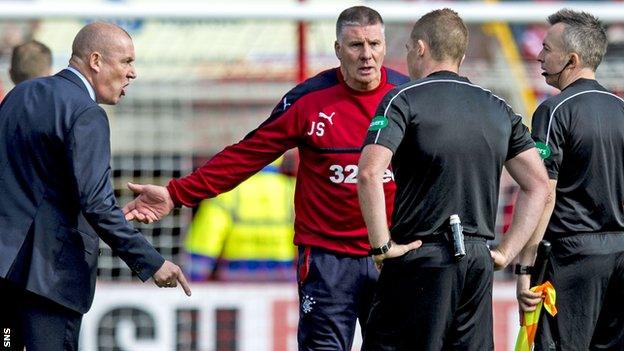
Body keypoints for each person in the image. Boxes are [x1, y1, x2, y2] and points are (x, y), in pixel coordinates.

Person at [122, 6, 410, 350]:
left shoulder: (408, 96)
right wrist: (176, 193)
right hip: (327, 259)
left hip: (393, 253)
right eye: (355, 45)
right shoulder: (309, 101)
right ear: (337, 49)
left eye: (374, 44)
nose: (367, 55)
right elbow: (246, 155)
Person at [357, 8, 549, 350]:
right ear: (461, 55)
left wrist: (382, 246)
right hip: (477, 260)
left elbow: (370, 172)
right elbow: (538, 184)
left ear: (419, 48)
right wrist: (505, 251)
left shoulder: (403, 99)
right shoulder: (497, 107)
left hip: (421, 255)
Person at [0, 22, 191, 351]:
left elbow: (41, 188)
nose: (132, 73)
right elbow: (97, 204)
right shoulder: (86, 113)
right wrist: (152, 262)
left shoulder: (20, 94)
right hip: (49, 283)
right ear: (96, 60)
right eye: (127, 61)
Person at [516, 9, 624, 350]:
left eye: (547, 48)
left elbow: (543, 193)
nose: (539, 55)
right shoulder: (620, 108)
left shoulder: (555, 110)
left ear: (572, 59)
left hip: (572, 258)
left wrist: (525, 270)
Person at [185, 160, 296, 282]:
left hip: (236, 280)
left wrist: (194, 279)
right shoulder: (292, 190)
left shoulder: (228, 190)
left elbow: (206, 237)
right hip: (282, 280)